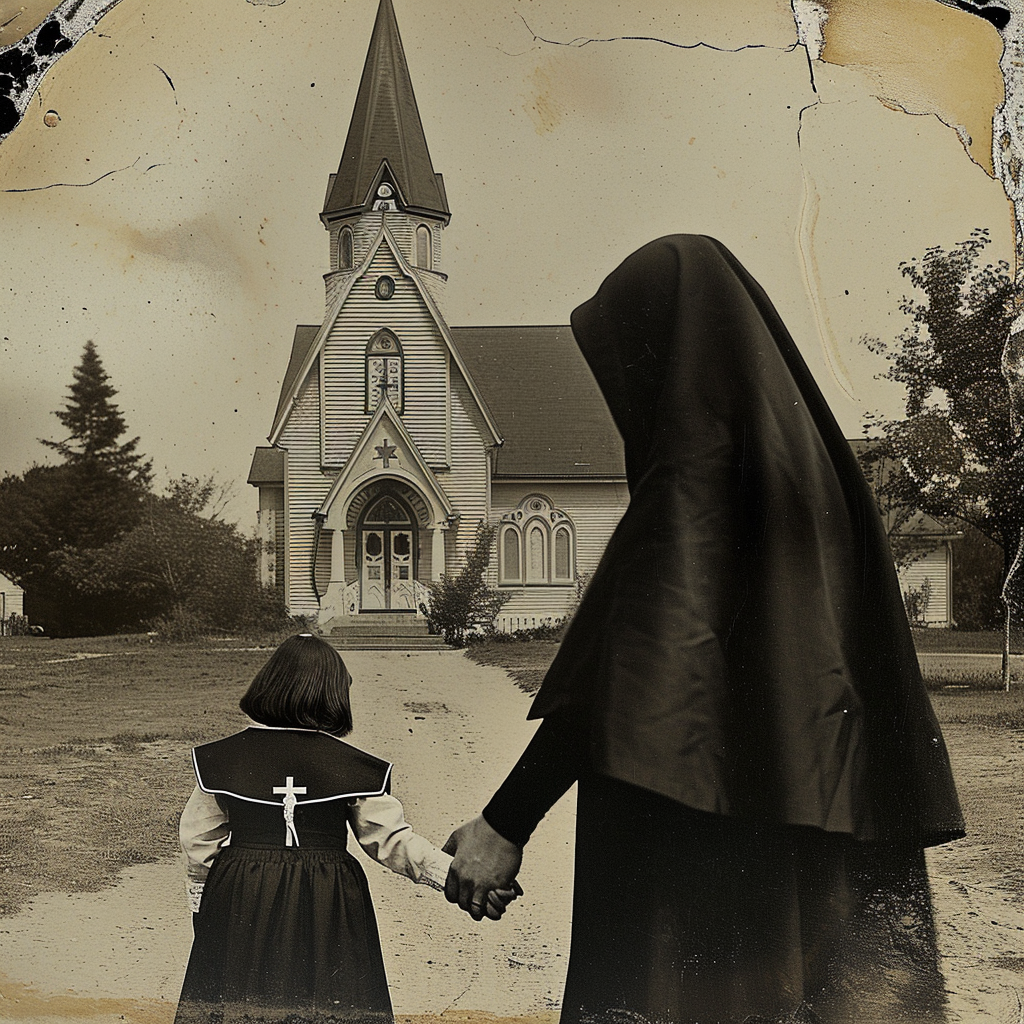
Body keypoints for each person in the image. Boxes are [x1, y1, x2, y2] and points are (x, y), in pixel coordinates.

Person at [443, 235, 965, 1024]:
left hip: (695, 855)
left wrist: (504, 823)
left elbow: (625, 678)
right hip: (803, 842)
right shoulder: (815, 471)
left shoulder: (696, 478)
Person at [175, 633, 514, 1024]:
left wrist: (204, 906)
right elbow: (392, 841)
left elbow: (198, 841)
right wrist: (458, 877)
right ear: (333, 696)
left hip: (243, 893)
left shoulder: (225, 757)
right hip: (327, 897)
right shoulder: (351, 766)